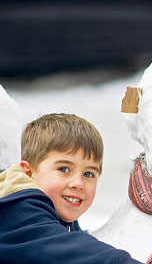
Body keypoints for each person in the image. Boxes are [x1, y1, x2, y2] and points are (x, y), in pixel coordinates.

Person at [0, 113, 142, 264]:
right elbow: (74, 251)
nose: (78, 183)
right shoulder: (18, 210)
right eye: (64, 169)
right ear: (29, 173)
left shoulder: (59, 217)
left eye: (88, 173)